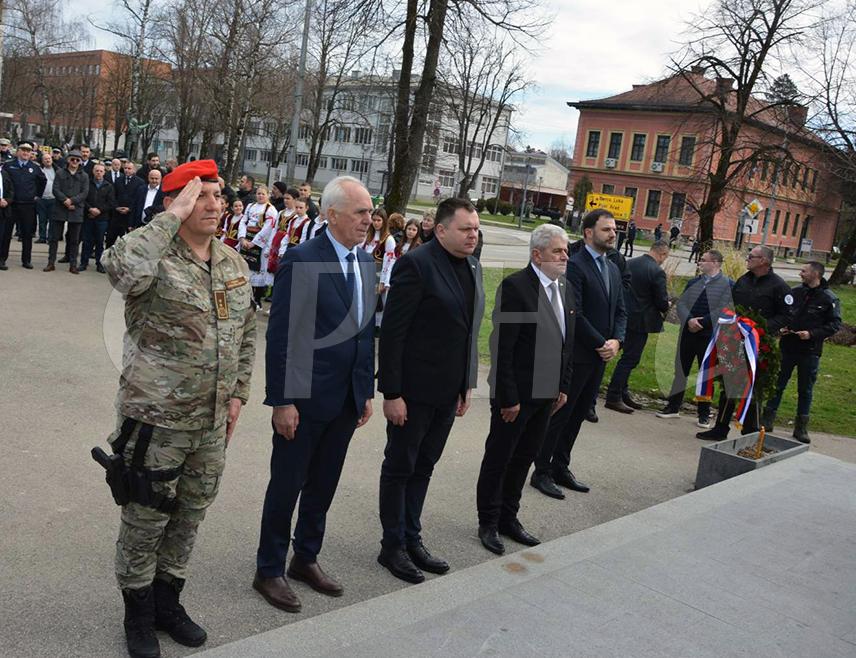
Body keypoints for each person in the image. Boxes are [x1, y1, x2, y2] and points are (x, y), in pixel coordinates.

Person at [100, 160, 256, 658]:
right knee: (146, 517)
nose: (216, 204)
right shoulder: (152, 257)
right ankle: (138, 613)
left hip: (209, 424)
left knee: (190, 515)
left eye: (218, 195)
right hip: (155, 423)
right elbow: (119, 269)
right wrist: (170, 215)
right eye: (200, 196)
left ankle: (169, 603)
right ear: (173, 203)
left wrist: (237, 394)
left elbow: (246, 334)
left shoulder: (232, 262)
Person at [254, 175, 375, 612]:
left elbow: (364, 332)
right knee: (287, 485)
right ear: (331, 214)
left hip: (345, 398)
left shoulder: (364, 261)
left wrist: (365, 390)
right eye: (360, 212)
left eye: (369, 211)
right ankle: (268, 569)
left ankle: (305, 557)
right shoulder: (302, 259)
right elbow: (283, 335)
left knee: (323, 484)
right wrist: (282, 401)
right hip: (304, 400)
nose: (368, 219)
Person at [377, 197, 484, 584]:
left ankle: (412, 537)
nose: (473, 235)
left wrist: (465, 385)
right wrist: (391, 393)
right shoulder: (415, 265)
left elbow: (467, 332)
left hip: (447, 392)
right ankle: (392, 547)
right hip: (412, 393)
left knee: (424, 466)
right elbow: (393, 333)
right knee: (400, 466)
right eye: (465, 228)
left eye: (475, 229)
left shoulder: (471, 266)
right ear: (440, 230)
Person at [476, 224, 575, 555]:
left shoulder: (565, 288)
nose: (565, 256)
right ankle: (488, 522)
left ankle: (509, 517)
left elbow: (566, 343)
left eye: (565, 251)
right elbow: (503, 347)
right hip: (516, 397)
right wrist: (509, 397)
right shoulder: (516, 287)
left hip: (546, 396)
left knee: (524, 459)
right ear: (537, 254)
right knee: (500, 459)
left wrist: (562, 386)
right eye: (558, 251)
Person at [531, 209, 626, 499]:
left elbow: (621, 309)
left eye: (614, 229)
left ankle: (561, 466)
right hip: (577, 355)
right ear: (588, 232)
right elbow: (576, 313)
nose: (613, 234)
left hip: (600, 357)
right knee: (561, 414)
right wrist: (602, 343)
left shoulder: (612, 267)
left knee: (578, 416)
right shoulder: (575, 265)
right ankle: (542, 471)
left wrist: (617, 341)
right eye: (606, 229)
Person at [697, 245, 791, 440]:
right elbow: (731, 305)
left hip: (759, 345)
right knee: (729, 382)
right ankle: (721, 427)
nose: (747, 259)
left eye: (751, 256)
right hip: (735, 339)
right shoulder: (743, 280)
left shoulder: (779, 286)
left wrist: (761, 328)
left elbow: (786, 315)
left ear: (764, 261)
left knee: (754, 387)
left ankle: (751, 431)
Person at [761, 262, 842, 443]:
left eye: (804, 271)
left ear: (815, 274)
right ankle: (767, 419)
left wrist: (812, 334)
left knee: (805, 389)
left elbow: (834, 325)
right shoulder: (796, 292)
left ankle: (801, 427)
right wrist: (781, 329)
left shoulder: (829, 298)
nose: (801, 274)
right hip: (788, 347)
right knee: (777, 384)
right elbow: (784, 313)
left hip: (810, 351)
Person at [657, 249, 733, 428]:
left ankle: (704, 414)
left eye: (703, 260)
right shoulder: (693, 282)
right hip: (688, 334)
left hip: (709, 336)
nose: (700, 262)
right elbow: (682, 303)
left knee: (706, 375)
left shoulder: (728, 284)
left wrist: (703, 323)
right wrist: (689, 319)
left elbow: (725, 308)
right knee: (680, 370)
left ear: (715, 263)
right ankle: (673, 407)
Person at [604, 241, 671, 413]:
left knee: (623, 355)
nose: (664, 260)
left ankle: (622, 392)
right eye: (665, 257)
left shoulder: (630, 263)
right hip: (641, 321)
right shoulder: (657, 272)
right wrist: (667, 304)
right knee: (630, 359)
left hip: (625, 316)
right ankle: (614, 395)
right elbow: (661, 301)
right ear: (662, 254)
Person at [2, 141, 46, 269]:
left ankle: (26, 260)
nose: (25, 153)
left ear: (31, 153)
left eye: (28, 151)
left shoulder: (35, 167)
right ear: (18, 152)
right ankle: (2, 259)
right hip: (12, 205)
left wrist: (37, 195)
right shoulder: (9, 166)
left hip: (28, 205)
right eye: (23, 150)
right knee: (6, 234)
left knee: (27, 234)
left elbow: (42, 181)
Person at [47, 149, 89, 273]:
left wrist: (72, 201)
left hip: (76, 210)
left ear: (80, 162)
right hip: (60, 208)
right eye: (72, 159)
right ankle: (51, 263)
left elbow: (85, 192)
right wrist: (65, 200)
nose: (75, 161)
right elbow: (55, 189)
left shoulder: (84, 176)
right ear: (68, 160)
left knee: (74, 240)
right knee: (54, 238)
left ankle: (73, 264)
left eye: (77, 160)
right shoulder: (60, 173)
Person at [240, 185, 278, 310]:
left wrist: (254, 243)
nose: (260, 196)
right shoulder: (250, 206)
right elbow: (243, 221)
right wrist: (242, 238)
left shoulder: (271, 210)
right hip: (247, 238)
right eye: (258, 193)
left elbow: (267, 228)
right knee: (245, 268)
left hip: (260, 243)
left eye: (263, 194)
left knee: (259, 271)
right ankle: (244, 296)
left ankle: (257, 300)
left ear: (268, 195)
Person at [362, 208, 397, 329]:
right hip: (365, 272)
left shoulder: (389, 239)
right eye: (374, 220)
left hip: (378, 273)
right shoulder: (368, 236)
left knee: (378, 303)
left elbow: (389, 262)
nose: (376, 223)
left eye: (379, 220)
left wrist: (384, 281)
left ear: (384, 221)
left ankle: (377, 326)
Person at [80, 162, 116, 273]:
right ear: (93, 172)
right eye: (97, 171)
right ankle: (83, 263)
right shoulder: (87, 184)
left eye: (101, 171)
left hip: (102, 219)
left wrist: (99, 210)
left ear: (104, 172)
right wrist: (90, 209)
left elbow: (111, 203)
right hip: (88, 217)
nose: (99, 173)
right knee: (87, 241)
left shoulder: (109, 186)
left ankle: (99, 264)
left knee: (100, 242)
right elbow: (83, 199)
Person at [109, 161, 143, 248]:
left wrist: (130, 208)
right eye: (125, 168)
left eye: (129, 168)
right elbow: (113, 195)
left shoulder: (140, 182)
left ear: (134, 170)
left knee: (128, 243)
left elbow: (138, 199)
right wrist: (116, 207)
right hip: (117, 216)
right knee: (110, 239)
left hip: (130, 217)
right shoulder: (118, 180)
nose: (127, 170)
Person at [36, 152, 57, 244]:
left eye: (49, 158)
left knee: (52, 221)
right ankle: (42, 237)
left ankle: (51, 237)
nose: (48, 160)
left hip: (53, 198)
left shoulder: (57, 170)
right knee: (42, 219)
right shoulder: (39, 170)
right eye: (46, 159)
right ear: (42, 161)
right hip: (42, 199)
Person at [0, 164, 13, 270]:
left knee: (2, 236)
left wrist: (7, 201)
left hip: (3, 209)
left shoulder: (5, 174)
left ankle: (1, 260)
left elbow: (11, 190)